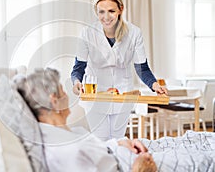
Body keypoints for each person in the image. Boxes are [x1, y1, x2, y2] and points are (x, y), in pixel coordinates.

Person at [71, 0, 168, 140]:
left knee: (118, 140)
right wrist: (76, 82)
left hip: (123, 93)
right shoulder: (87, 33)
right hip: (95, 95)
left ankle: (119, 164)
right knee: (101, 140)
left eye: (111, 11)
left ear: (120, 9)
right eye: (101, 12)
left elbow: (141, 68)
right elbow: (78, 67)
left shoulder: (134, 33)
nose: (106, 17)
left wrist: (155, 85)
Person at [16, 68, 157, 172]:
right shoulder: (67, 150)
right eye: (62, 90)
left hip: (124, 152)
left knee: (175, 142)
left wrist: (119, 143)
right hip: (134, 164)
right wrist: (140, 169)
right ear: (54, 100)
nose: (67, 95)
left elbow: (96, 151)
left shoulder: (61, 133)